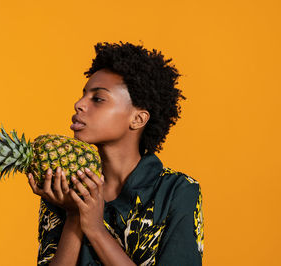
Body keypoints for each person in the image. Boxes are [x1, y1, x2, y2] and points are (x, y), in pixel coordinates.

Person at [27, 41, 204, 265]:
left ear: (138, 119)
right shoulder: (62, 186)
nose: (78, 104)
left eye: (98, 99)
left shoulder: (177, 191)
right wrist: (73, 216)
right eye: (83, 95)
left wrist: (95, 229)